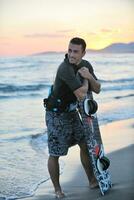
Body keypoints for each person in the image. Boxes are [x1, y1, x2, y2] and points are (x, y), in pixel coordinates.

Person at [44, 37, 101, 198]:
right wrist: (86, 81)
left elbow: (98, 88)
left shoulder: (85, 65)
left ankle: (92, 180)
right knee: (55, 152)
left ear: (83, 52)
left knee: (84, 144)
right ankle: (57, 190)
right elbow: (82, 94)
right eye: (69, 50)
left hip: (72, 112)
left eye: (76, 51)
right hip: (55, 114)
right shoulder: (65, 68)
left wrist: (88, 76)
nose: (71, 54)